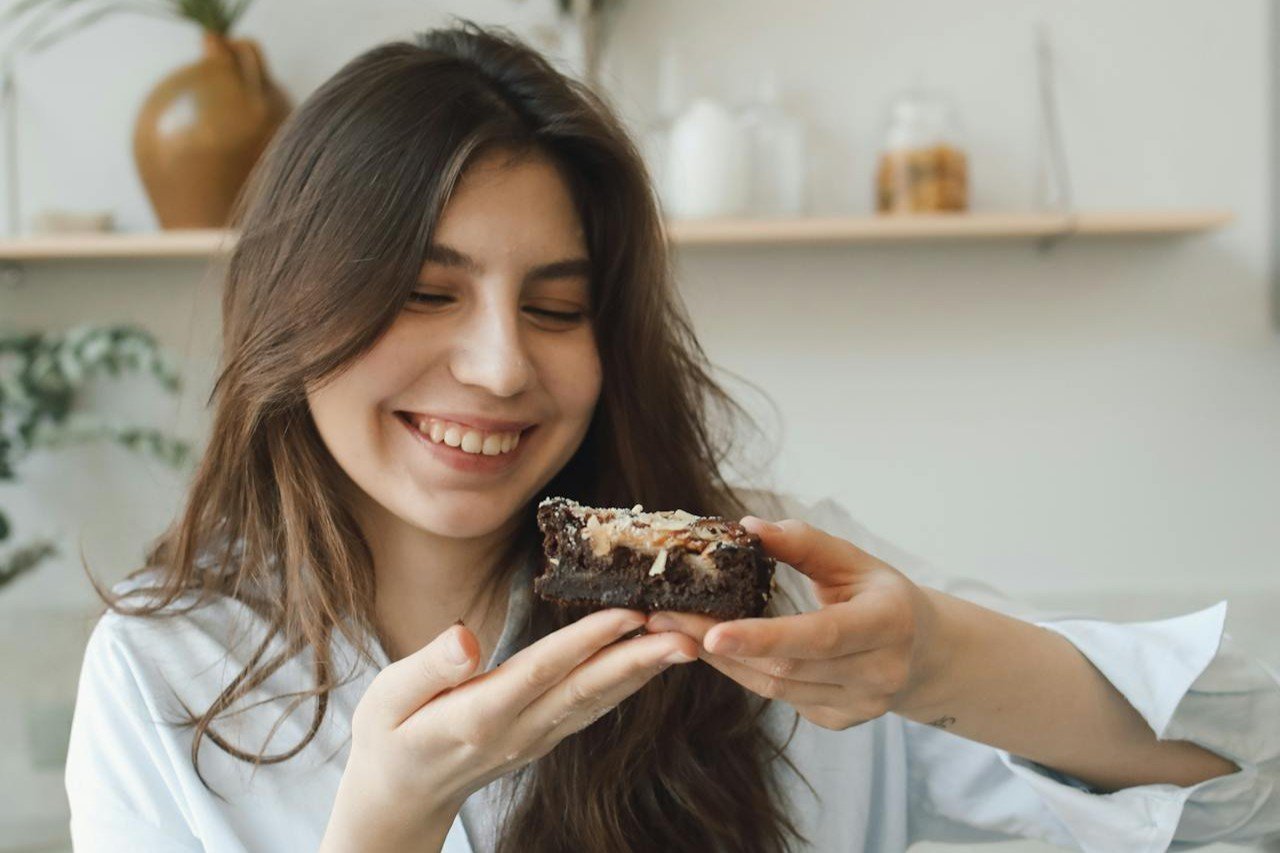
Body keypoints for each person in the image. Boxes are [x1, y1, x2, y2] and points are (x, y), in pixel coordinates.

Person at [64, 21, 1279, 853]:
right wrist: (387, 817)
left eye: (556, 307)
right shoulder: (164, 675)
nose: (497, 365)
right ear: (296, 305)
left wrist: (930, 660)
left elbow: (1245, 792)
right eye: (426, 293)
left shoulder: (771, 602)